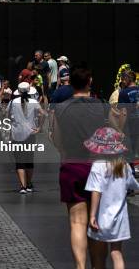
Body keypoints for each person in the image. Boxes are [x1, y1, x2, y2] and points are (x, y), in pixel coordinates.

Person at [52, 65, 108, 269]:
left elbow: (56, 139)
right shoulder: (100, 106)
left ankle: (80, 266)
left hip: (72, 165)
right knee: (97, 222)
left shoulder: (61, 108)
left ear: (70, 83)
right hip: (97, 166)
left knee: (77, 222)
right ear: (89, 82)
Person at [84, 127, 139, 269]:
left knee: (100, 254)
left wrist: (91, 215)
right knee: (116, 252)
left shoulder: (98, 166)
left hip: (102, 216)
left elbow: (96, 191)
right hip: (120, 219)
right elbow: (134, 185)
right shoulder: (124, 166)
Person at [8, 82, 44, 194]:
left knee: (19, 161)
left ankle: (22, 186)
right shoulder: (34, 102)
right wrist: (39, 127)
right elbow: (43, 114)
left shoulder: (13, 102)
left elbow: (8, 115)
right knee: (29, 159)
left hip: (17, 134)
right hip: (30, 134)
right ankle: (29, 184)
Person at [117, 71, 139, 157]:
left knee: (131, 152)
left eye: (123, 79)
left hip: (132, 124)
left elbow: (123, 113)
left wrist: (120, 129)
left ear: (127, 79)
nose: (122, 82)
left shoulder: (123, 93)